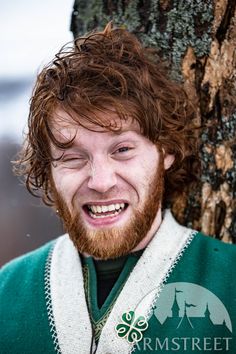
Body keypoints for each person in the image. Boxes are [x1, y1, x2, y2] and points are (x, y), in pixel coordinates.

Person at [0, 22, 235, 354]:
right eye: (72, 157)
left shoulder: (229, 284)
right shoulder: (6, 295)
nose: (100, 181)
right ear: (48, 169)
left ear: (165, 151)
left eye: (122, 150)